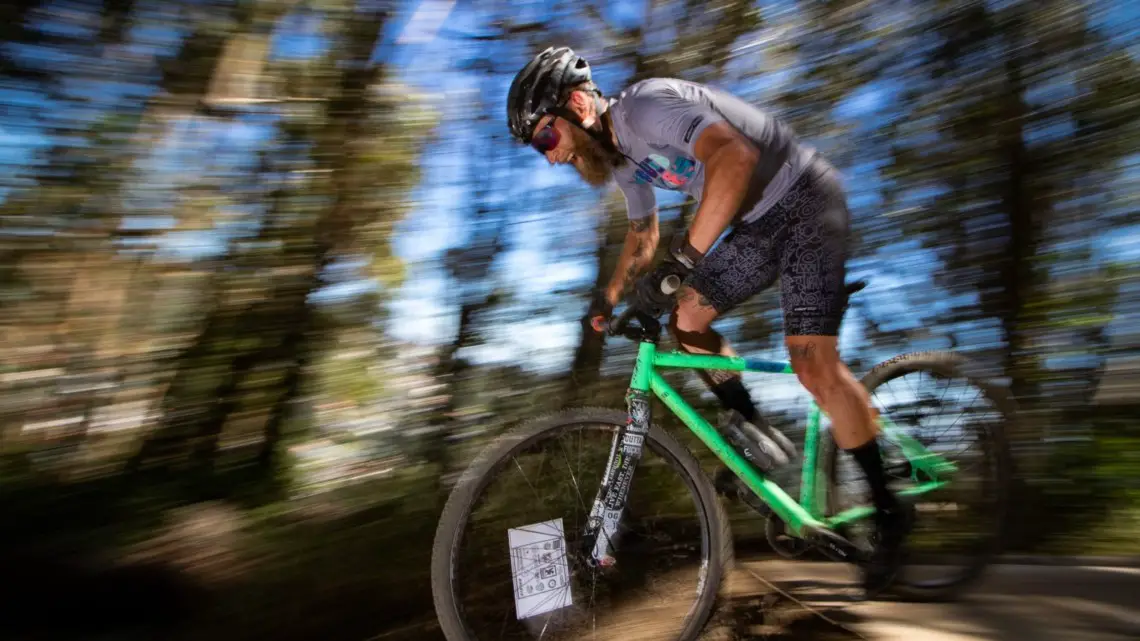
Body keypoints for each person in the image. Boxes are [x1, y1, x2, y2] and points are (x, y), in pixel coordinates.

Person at [506, 46, 912, 595]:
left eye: (545, 138)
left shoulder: (645, 107)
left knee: (811, 361)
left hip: (805, 202)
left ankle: (890, 514)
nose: (548, 156)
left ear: (578, 104)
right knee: (687, 318)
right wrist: (610, 295)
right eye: (539, 148)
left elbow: (734, 157)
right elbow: (643, 235)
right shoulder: (620, 156)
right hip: (755, 225)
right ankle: (760, 433)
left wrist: (685, 261)